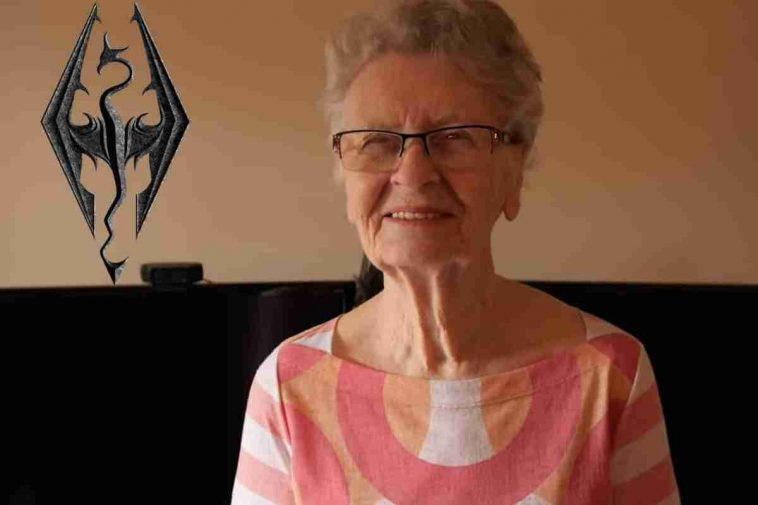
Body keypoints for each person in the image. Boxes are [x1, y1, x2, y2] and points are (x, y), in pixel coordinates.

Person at [231, 1, 680, 503]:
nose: (412, 174)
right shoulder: (288, 388)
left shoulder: (611, 375)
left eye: (454, 138)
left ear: (514, 170)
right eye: (377, 142)